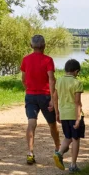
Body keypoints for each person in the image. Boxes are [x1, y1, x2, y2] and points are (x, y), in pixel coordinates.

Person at [20, 34, 61, 165]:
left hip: (30, 96)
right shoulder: (48, 60)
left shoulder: (26, 60)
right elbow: (51, 79)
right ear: (44, 46)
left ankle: (30, 153)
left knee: (31, 124)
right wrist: (52, 98)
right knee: (52, 124)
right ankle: (57, 149)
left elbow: (23, 79)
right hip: (45, 96)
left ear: (31, 46)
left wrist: (29, 89)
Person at [52, 58, 85, 174]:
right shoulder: (77, 83)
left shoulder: (59, 81)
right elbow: (77, 102)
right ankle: (73, 165)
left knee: (68, 137)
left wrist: (57, 113)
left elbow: (55, 98)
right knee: (75, 139)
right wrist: (78, 118)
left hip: (63, 114)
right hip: (73, 114)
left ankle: (59, 153)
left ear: (66, 70)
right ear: (76, 71)